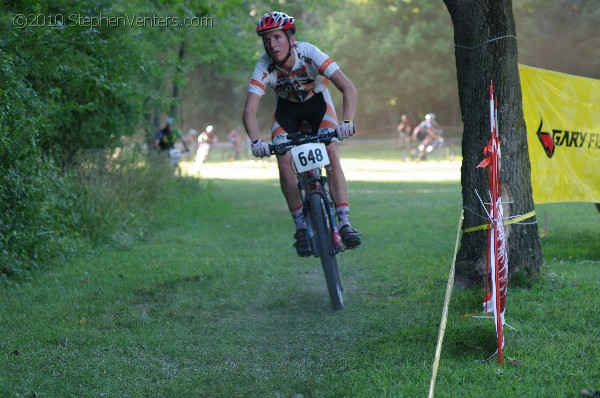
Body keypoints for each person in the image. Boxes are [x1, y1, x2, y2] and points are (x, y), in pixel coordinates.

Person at [242, 11, 361, 257]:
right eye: (266, 40)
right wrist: (256, 141)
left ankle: (344, 223)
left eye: (276, 37)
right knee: (284, 160)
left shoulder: (310, 53)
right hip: (288, 112)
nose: (271, 45)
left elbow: (347, 87)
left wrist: (347, 121)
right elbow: (249, 111)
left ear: (290, 38)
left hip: (318, 106)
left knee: (331, 152)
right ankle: (301, 228)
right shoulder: (263, 65)